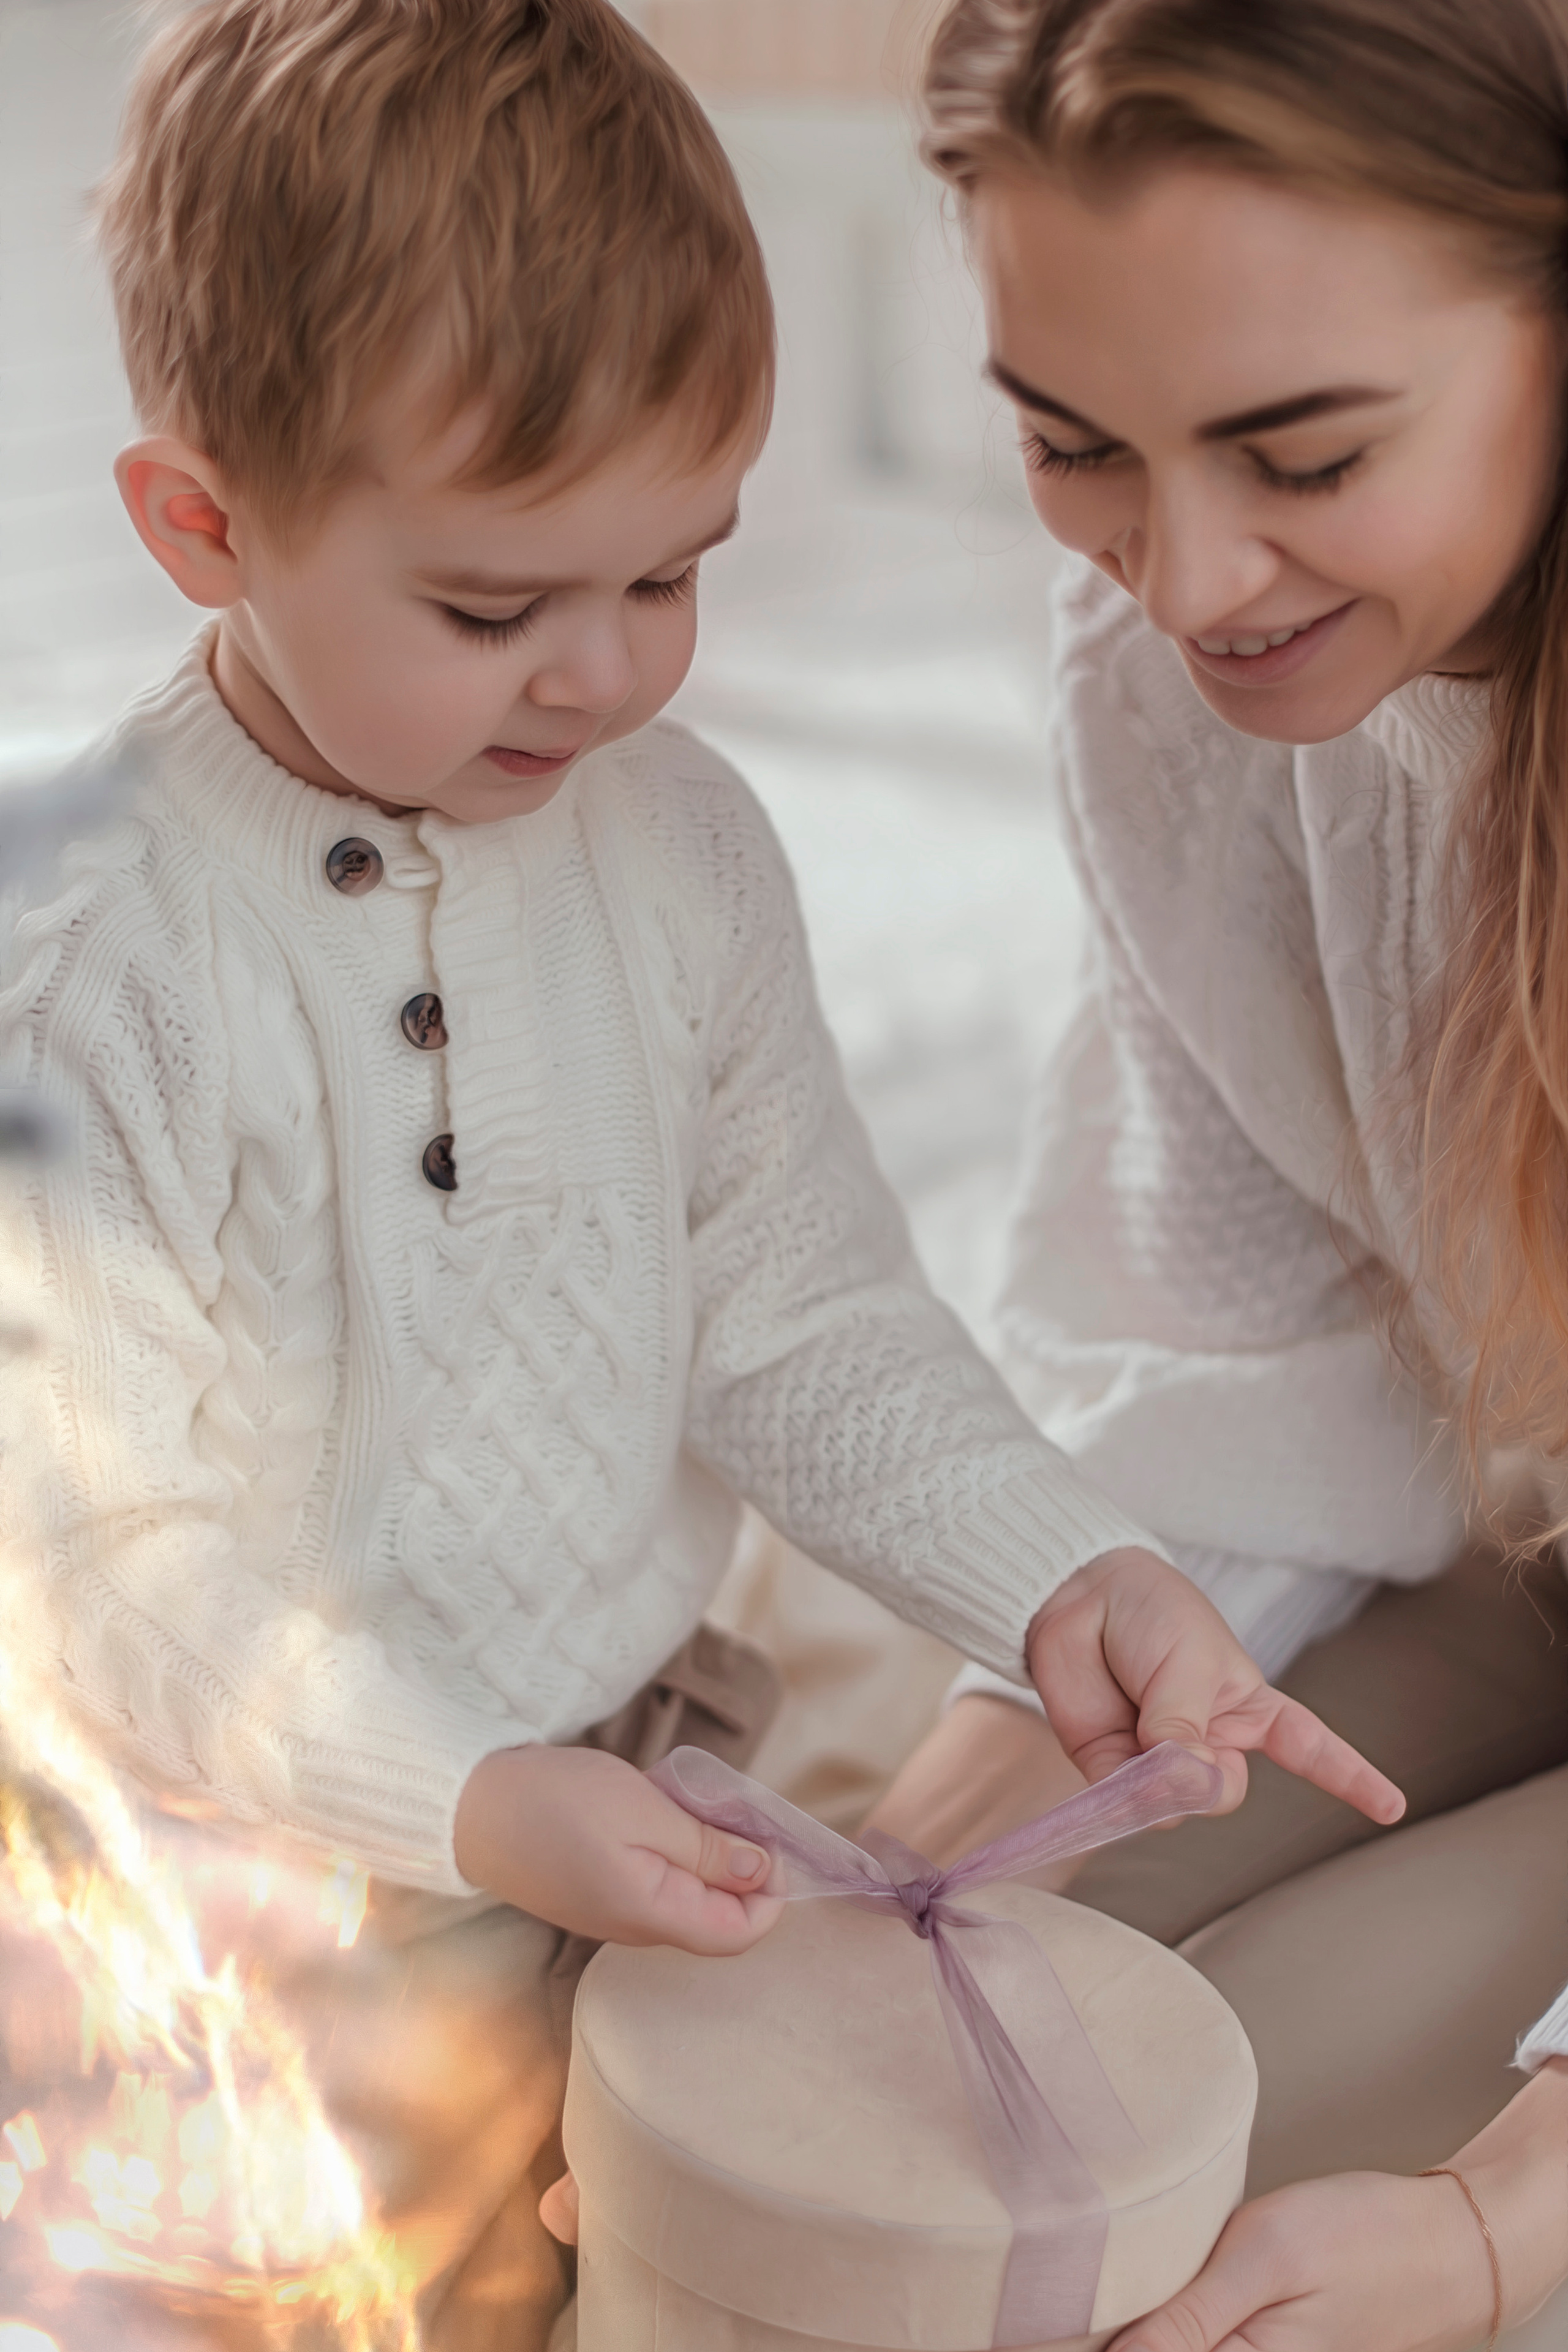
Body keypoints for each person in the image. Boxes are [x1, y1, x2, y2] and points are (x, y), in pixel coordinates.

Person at [0, 2, 1398, 2342]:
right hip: (257, 1874)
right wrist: (468, 1801)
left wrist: (1053, 1567)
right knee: (385, 2292)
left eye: (674, 576)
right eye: (491, 608)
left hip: (630, 1760)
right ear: (200, 524)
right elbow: (104, 1573)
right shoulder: (100, 969)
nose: (609, 677)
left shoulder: (684, 853)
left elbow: (806, 1309)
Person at [868, 1, 1568, 2345]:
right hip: (1523, 1526)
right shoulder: (1175, 689)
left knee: (1171, 2188)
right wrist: (1005, 1742)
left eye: (1303, 450)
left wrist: (1502, 2236)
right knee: (902, 2068)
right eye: (1074, 445)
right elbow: (1237, 1320)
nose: (1181, 577)